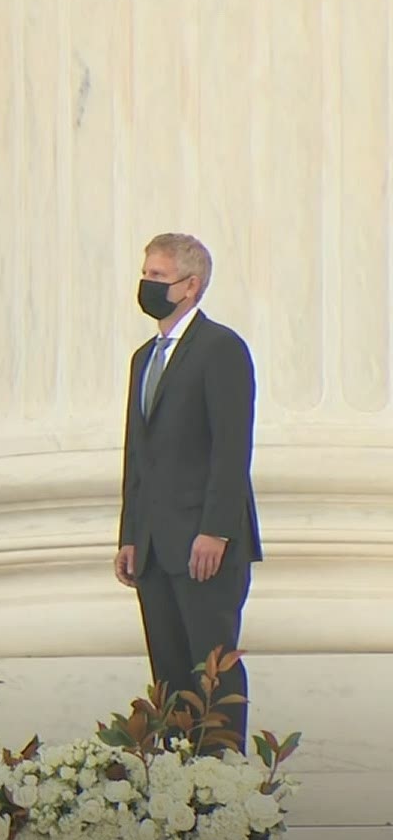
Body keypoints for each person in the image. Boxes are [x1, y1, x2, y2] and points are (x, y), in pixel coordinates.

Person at [115, 233, 259, 739]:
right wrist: (130, 535)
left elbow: (230, 448)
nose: (147, 284)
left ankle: (225, 782)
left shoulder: (220, 349)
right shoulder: (143, 359)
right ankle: (179, 786)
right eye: (147, 273)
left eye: (158, 276)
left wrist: (216, 530)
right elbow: (139, 454)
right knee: (170, 678)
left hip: (204, 544)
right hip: (155, 547)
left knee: (213, 672)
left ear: (190, 285)